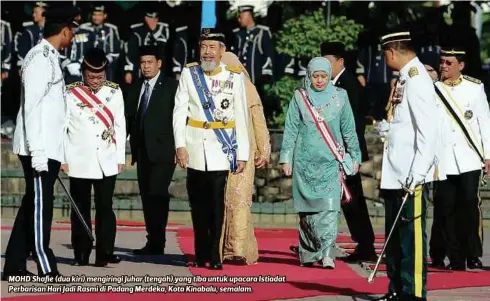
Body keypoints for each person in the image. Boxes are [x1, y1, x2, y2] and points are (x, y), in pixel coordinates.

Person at [1, 8, 79, 280]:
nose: (74, 35)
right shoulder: (38, 58)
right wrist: (38, 154)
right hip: (40, 149)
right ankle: (46, 266)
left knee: (32, 205)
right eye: (73, 30)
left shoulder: (51, 58)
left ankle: (13, 265)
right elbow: (32, 109)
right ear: (65, 30)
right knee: (41, 208)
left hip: (49, 147)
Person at [173, 28, 250, 270]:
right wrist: (180, 146)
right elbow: (179, 111)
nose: (207, 52)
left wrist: (243, 154)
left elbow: (241, 116)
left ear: (222, 51)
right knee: (198, 206)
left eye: (212, 47)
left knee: (217, 206)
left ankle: (215, 256)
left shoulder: (234, 77)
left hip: (221, 149)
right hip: (195, 148)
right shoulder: (189, 73)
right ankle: (200, 252)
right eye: (204, 47)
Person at [374, 30, 442, 301]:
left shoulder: (417, 80)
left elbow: (428, 131)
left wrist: (418, 173)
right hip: (396, 171)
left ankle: (413, 293)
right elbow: (406, 124)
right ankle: (396, 289)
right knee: (394, 238)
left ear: (392, 52)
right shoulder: (404, 78)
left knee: (411, 239)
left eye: (384, 54)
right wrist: (388, 129)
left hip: (411, 174)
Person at [279, 57, 361, 269]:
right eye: (315, 76)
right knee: (307, 213)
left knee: (330, 209)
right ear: (309, 75)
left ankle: (327, 253)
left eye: (323, 76)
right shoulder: (300, 97)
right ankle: (309, 253)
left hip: (331, 162)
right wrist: (285, 158)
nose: (319, 80)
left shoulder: (340, 97)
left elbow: (349, 129)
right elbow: (290, 129)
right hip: (305, 164)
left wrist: (355, 156)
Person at [62, 47, 126, 267]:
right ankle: (81, 253)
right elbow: (62, 128)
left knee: (105, 208)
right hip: (78, 160)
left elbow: (120, 124)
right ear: (83, 74)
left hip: (106, 160)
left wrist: (120, 157)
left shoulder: (114, 92)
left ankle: (105, 252)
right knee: (80, 209)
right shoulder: (70, 93)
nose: (96, 81)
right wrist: (63, 158)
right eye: (91, 77)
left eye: (100, 76)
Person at [432, 46, 489, 271]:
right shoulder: (433, 89)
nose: (443, 66)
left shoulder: (474, 88)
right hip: (443, 159)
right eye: (442, 61)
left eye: (449, 63)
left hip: (469, 158)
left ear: (461, 66)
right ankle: (454, 257)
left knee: (469, 207)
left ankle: (472, 254)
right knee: (445, 208)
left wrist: (488, 156)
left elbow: (484, 122)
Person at [321, 41, 377, 262]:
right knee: (346, 201)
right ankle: (361, 243)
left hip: (346, 153)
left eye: (328, 62)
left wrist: (347, 153)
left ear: (340, 62)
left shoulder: (348, 84)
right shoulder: (331, 84)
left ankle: (366, 244)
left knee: (353, 200)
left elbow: (353, 123)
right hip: (335, 151)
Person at [125, 45, 178, 255]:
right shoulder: (136, 87)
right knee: (147, 196)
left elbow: (179, 118)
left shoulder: (172, 86)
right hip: (142, 151)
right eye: (143, 63)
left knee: (157, 193)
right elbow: (129, 117)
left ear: (159, 63)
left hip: (164, 151)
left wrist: (180, 147)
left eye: (150, 62)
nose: (146, 67)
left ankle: (158, 240)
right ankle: (152, 240)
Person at [220, 51, 271, 265]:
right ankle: (223, 248)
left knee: (239, 199)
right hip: (220, 151)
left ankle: (238, 249)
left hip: (244, 152)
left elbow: (258, 120)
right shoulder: (218, 89)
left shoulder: (247, 88)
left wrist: (264, 149)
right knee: (222, 201)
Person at [230, 5, 275, 118]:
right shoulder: (238, 34)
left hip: (257, 78)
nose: (239, 20)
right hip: (240, 78)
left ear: (248, 15)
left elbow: (269, 55)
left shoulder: (262, 32)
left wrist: (266, 75)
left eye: (241, 16)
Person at [124, 4, 170, 85]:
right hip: (141, 71)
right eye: (149, 18)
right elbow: (130, 52)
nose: (152, 21)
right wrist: (129, 71)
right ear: (145, 18)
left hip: (161, 70)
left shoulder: (165, 30)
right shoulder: (137, 31)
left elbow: (167, 52)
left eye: (155, 18)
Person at [79, 3, 121, 82]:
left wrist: (108, 58)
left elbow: (117, 49)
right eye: (94, 15)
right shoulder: (83, 28)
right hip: (87, 64)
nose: (96, 17)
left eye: (99, 15)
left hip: (107, 66)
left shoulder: (111, 29)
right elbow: (78, 47)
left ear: (105, 16)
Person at [15, 1, 49, 69]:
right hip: (32, 68)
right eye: (33, 12)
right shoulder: (29, 31)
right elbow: (23, 51)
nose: (33, 15)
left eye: (36, 12)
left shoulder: (52, 30)